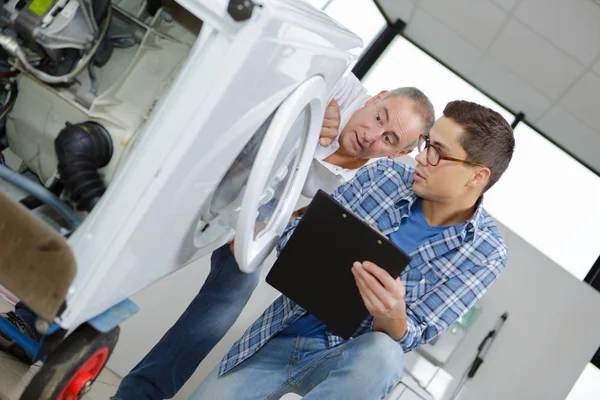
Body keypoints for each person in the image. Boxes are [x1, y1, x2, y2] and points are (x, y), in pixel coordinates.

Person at [112, 73, 435, 399]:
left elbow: (309, 217)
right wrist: (316, 102)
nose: (371, 135)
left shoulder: (369, 180)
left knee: (236, 288)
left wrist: (263, 221)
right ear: (374, 97)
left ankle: (139, 395)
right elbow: (278, 66)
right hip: (213, 162)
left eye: (389, 139)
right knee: (131, 256)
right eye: (379, 117)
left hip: (253, 212)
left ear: (395, 154)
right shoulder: (338, 83)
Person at [188, 100, 515, 400]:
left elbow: (412, 335)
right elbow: (291, 240)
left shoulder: (485, 253)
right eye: (426, 143)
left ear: (477, 176)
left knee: (384, 354)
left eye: (437, 152)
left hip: (351, 365)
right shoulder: (383, 175)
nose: (420, 156)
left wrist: (392, 314)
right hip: (280, 334)